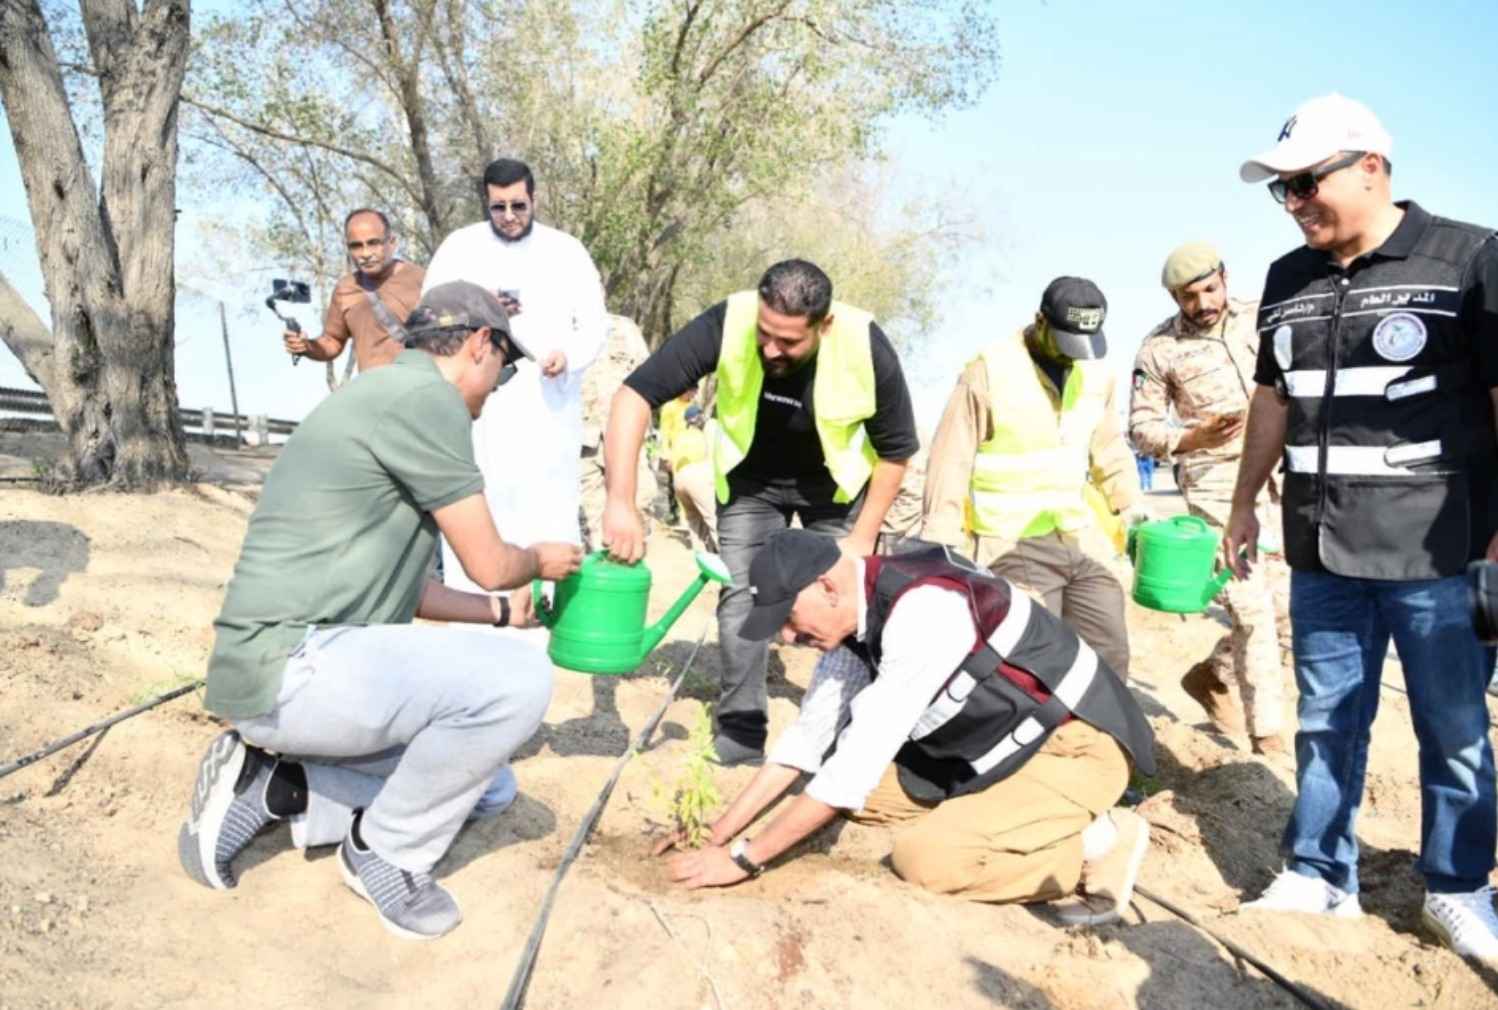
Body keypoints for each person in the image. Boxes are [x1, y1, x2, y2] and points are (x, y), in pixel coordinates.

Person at [178, 281, 584, 940]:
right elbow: (492, 562)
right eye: (503, 371)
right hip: (293, 666)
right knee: (520, 682)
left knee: (488, 787)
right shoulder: (429, 401)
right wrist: (541, 559)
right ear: (481, 344)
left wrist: (505, 616)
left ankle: (281, 786)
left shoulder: (383, 394)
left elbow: (409, 588)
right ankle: (384, 854)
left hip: (293, 670)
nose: (494, 388)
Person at [1224, 93, 1498, 960]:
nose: (1295, 202)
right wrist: (1242, 501)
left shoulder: (1471, 259)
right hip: (1321, 549)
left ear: (1371, 169)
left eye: (1307, 184)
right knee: (1325, 720)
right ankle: (1318, 872)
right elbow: (1273, 396)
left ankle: (1457, 888)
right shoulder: (1284, 279)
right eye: (1283, 191)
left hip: (1438, 551)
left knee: (1452, 727)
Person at [658, 530, 1156, 926]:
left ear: (827, 587)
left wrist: (744, 861)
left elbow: (851, 770)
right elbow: (808, 741)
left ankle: (1099, 844)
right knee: (847, 800)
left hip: (1074, 745)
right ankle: (992, 817)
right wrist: (717, 832)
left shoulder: (923, 613)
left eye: (788, 618)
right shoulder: (855, 614)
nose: (787, 638)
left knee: (927, 861)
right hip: (988, 744)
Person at [602, 259, 919, 765]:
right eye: (765, 334)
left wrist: (860, 540)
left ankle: (844, 731)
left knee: (847, 604)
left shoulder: (864, 341)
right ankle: (741, 731)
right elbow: (633, 395)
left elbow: (896, 451)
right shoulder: (729, 320)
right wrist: (619, 501)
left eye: (789, 342)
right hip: (750, 482)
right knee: (742, 595)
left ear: (824, 324)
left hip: (833, 490)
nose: (771, 350)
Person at [923, 277, 1142, 679]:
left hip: (1077, 535)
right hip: (1009, 543)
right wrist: (940, 537)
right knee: (1031, 661)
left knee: (1108, 645)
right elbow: (951, 456)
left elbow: (1109, 448)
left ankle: (1098, 738)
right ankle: (1033, 739)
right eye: (1065, 342)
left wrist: (1131, 507)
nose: (1074, 356)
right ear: (1040, 321)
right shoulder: (989, 370)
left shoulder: (1095, 373)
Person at [1129, 242, 1292, 754]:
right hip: (1215, 486)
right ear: (1174, 297)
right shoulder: (1159, 349)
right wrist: (1193, 437)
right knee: (1249, 606)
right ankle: (1268, 733)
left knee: (1293, 605)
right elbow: (1140, 428)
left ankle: (1215, 676)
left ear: (1224, 277)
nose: (1201, 304)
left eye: (1208, 289)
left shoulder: (1261, 318)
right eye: (1188, 296)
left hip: (1281, 476)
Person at [423, 158, 607, 576]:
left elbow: (595, 326)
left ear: (534, 199)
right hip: (480, 413)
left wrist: (568, 356)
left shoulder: (566, 251)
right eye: (498, 207)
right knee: (481, 512)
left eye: (518, 206)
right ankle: (479, 625)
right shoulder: (459, 248)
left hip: (548, 409)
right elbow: (429, 315)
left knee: (549, 514)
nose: (508, 217)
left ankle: (545, 630)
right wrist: (475, 301)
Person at [283, 207, 424, 372]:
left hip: (422, 388)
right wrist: (307, 346)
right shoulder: (345, 289)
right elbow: (332, 341)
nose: (365, 253)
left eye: (373, 243)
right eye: (356, 246)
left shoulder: (422, 279)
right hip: (375, 391)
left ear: (392, 242)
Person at [579, 315, 659, 550]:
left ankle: (629, 576)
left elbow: (651, 380)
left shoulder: (624, 329)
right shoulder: (566, 329)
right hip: (585, 442)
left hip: (629, 440)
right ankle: (594, 581)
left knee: (640, 504)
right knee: (588, 520)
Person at [666, 403, 717, 553]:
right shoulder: (712, 426)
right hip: (700, 476)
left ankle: (702, 555)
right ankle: (727, 558)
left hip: (680, 478)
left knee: (694, 520)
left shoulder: (687, 433)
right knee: (713, 519)